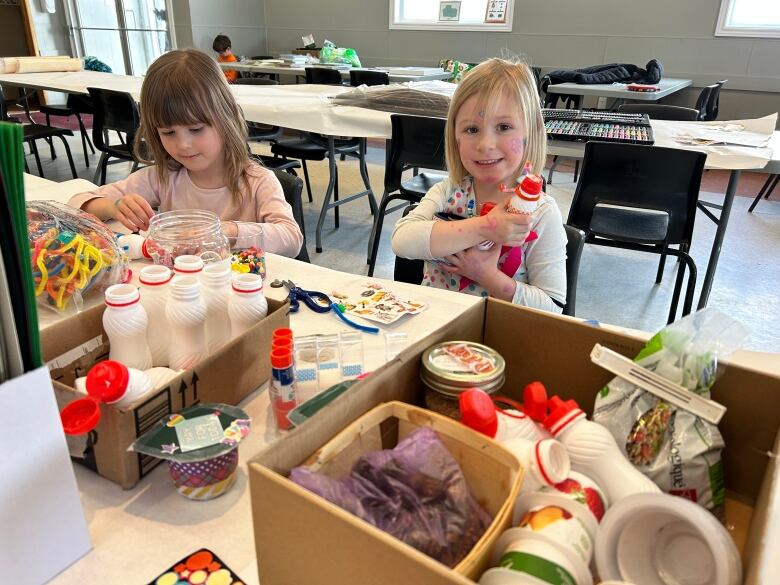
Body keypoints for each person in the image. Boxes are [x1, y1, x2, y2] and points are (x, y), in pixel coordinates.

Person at [68, 49, 303, 258]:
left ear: (226, 118)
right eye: (168, 132)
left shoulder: (257, 181)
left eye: (196, 129)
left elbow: (292, 239)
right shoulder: (162, 177)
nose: (183, 145)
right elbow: (76, 202)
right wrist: (113, 207)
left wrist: (229, 231)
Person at [391, 58, 566, 312]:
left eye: (504, 127)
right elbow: (401, 241)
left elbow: (552, 306)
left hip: (499, 337)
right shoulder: (448, 192)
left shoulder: (541, 213)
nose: (485, 144)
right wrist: (485, 227)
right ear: (455, 136)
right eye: (472, 129)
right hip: (437, 328)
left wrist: (486, 275)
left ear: (532, 132)